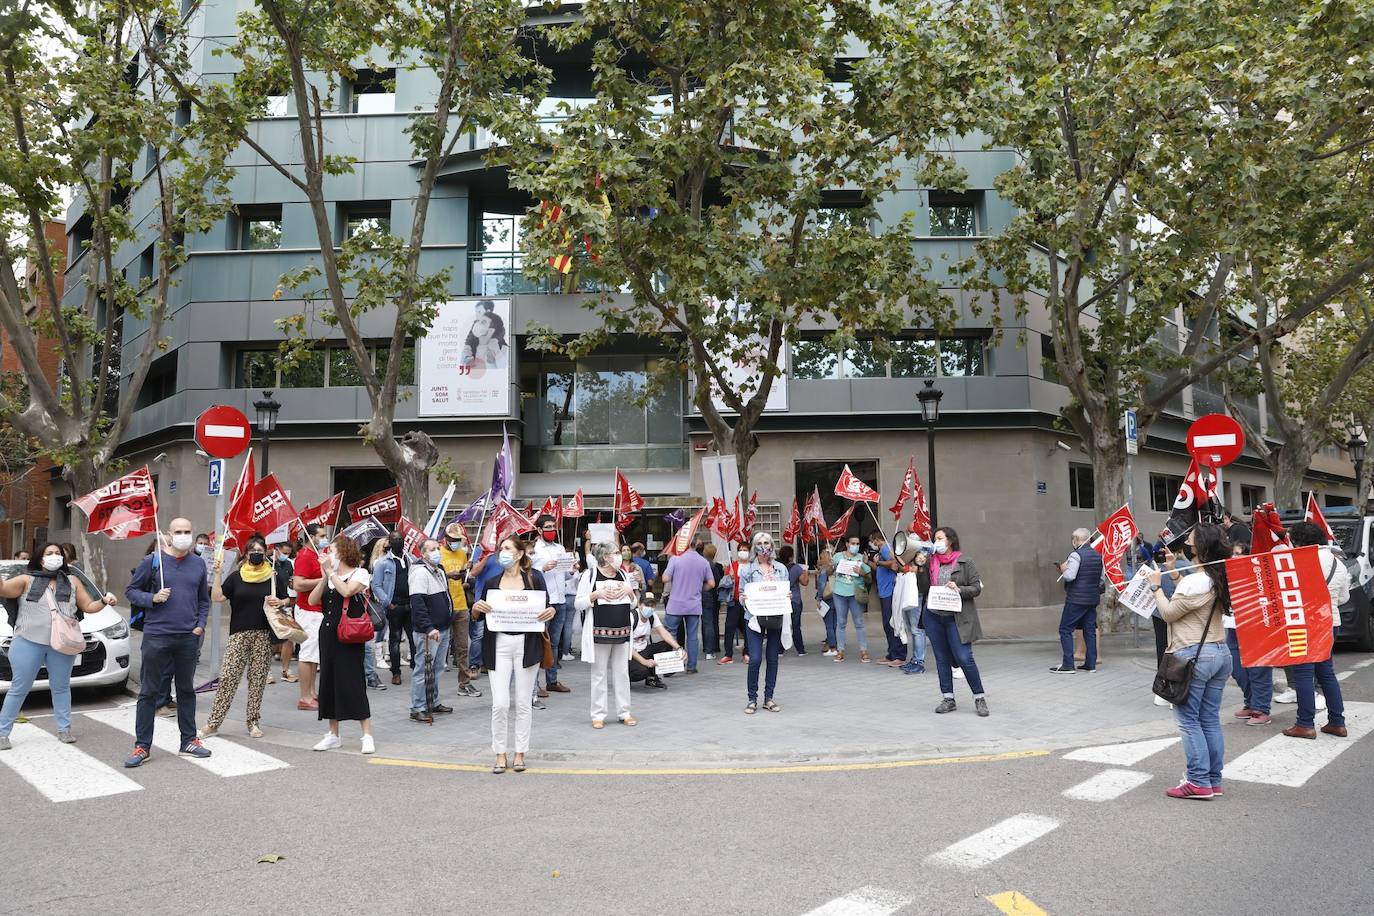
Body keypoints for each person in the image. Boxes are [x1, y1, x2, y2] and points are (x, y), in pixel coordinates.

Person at [0, 543, 118, 750]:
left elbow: (88, 606)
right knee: (19, 688)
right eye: (49, 553)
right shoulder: (26, 580)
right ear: (40, 558)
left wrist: (104, 601)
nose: (54, 556)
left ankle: (64, 729)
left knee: (61, 687)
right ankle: (2, 733)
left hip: (62, 644)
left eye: (58, 553)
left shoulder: (72, 581)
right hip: (28, 642)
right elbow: (3, 589)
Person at [1146, 523, 1231, 799]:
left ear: (1199, 548)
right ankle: (1212, 780)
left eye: (1190, 541)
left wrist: (1155, 588)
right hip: (1219, 653)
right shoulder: (1217, 576)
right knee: (1209, 719)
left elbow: (1170, 612)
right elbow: (1193, 602)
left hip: (1194, 655)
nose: (1186, 544)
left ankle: (1197, 781)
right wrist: (1173, 572)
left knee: (1188, 721)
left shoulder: (1195, 581)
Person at [124, 518, 213, 767]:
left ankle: (189, 740)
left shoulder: (198, 563)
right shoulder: (152, 561)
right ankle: (142, 746)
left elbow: (203, 600)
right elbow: (131, 591)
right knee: (149, 692)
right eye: (178, 531)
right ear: (169, 535)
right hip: (157, 635)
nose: (183, 535)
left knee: (186, 691)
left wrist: (200, 625)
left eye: (187, 531)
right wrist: (152, 598)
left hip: (188, 637)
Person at [472, 536, 555, 773]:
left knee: (523, 702)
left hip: (527, 644)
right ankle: (500, 753)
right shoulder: (492, 582)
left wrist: (550, 611)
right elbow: (479, 615)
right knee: (500, 704)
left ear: (519, 554)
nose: (502, 552)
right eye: (501, 549)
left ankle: (520, 752)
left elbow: (547, 606)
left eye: (507, 548)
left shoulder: (534, 578)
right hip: (498, 644)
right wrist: (475, 609)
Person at [201, 536, 290, 739]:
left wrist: (281, 602)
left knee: (257, 680)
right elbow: (217, 597)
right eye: (252, 551)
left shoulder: (273, 576)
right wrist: (217, 574)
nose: (256, 553)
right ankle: (213, 723)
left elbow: (286, 598)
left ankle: (253, 722)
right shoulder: (236, 577)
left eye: (260, 550)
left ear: (266, 553)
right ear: (246, 554)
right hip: (239, 634)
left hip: (264, 634)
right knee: (228, 678)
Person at [1283, 521, 1352, 740]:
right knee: (1326, 672)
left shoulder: (1300, 561)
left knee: (1303, 673)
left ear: (1300, 542)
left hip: (1306, 623)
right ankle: (1337, 722)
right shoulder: (1338, 562)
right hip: (1331, 622)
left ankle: (1304, 724)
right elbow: (1344, 597)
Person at [307, 534, 375, 754]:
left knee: (353, 681)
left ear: (344, 552)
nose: (328, 554)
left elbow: (347, 591)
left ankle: (366, 734)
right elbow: (312, 600)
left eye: (332, 551)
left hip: (349, 635)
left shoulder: (360, 573)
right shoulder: (330, 576)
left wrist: (330, 572)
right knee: (328, 682)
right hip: (328, 634)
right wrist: (323, 577)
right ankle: (333, 734)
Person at [924, 527, 989, 716]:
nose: (936, 542)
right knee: (941, 658)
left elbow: (976, 588)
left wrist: (959, 589)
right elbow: (922, 586)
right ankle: (948, 698)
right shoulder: (930, 561)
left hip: (957, 618)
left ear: (950, 541)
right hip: (934, 616)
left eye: (940, 538)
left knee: (964, 657)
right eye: (935, 539)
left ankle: (979, 697)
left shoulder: (965, 562)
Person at [577, 541, 641, 728]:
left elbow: (633, 604)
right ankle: (598, 714)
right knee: (599, 674)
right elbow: (578, 603)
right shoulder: (590, 575)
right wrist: (595, 595)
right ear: (605, 557)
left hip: (622, 632)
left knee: (622, 673)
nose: (620, 556)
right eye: (616, 553)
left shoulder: (623, 574)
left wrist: (630, 593)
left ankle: (625, 712)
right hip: (599, 633)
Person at [739, 531, 792, 714]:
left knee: (772, 657)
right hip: (754, 618)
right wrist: (745, 599)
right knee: (755, 658)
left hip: (775, 617)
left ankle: (768, 698)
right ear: (754, 547)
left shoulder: (781, 569)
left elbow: (785, 590)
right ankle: (752, 698)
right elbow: (741, 594)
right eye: (760, 543)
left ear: (772, 545)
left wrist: (787, 596)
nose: (764, 546)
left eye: (767, 543)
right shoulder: (747, 570)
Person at [407, 538, 456, 722]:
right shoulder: (419, 572)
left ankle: (432, 702)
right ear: (423, 553)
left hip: (443, 628)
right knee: (423, 669)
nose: (437, 552)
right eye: (432, 549)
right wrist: (428, 627)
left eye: (438, 548)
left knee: (437, 668)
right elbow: (417, 603)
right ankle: (417, 707)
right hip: (429, 631)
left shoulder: (439, 570)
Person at [530, 514, 574, 694]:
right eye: (547, 527)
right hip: (543, 602)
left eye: (553, 527)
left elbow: (565, 575)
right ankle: (534, 684)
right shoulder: (534, 549)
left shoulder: (560, 548)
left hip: (560, 600)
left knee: (554, 643)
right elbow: (528, 572)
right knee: (538, 642)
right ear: (539, 530)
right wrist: (542, 568)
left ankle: (552, 680)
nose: (551, 530)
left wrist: (572, 570)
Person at [1051, 528, 1104, 673]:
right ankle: (1090, 664)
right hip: (1092, 598)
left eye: (1072, 539)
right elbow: (1101, 578)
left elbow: (1070, 576)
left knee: (1065, 629)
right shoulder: (1098, 555)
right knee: (1089, 630)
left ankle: (1068, 665)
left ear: (1076, 539)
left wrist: (1063, 569)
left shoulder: (1075, 555)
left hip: (1076, 599)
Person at [438, 523, 481, 698]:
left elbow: (466, 579)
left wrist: (466, 574)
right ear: (446, 538)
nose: (455, 542)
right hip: (443, 606)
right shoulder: (438, 553)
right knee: (439, 649)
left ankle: (464, 684)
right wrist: (448, 576)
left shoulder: (462, 553)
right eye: (453, 539)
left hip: (461, 604)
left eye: (458, 539)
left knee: (463, 647)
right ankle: (431, 687)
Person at [291, 523, 330, 711]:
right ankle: (304, 697)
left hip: (316, 610)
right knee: (307, 654)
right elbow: (298, 584)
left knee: (314, 655)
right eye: (321, 536)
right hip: (308, 610)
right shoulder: (305, 556)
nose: (324, 539)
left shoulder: (315, 554)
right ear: (311, 537)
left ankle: (312, 693)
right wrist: (324, 579)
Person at [662, 538, 715, 673]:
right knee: (692, 636)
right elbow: (711, 583)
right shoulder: (703, 561)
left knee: (671, 633)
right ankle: (691, 666)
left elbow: (665, 578)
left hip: (675, 604)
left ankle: (672, 666)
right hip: (693, 604)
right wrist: (700, 588)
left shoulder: (675, 559)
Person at [372, 533, 414, 686]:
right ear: (390, 542)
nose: (399, 541)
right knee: (395, 639)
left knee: (414, 638)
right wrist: (387, 602)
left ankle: (416, 667)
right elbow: (376, 585)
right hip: (394, 606)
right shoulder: (382, 562)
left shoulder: (410, 559)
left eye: (401, 539)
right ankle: (396, 672)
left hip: (410, 605)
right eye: (395, 539)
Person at [628, 593, 687, 689]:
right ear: (639, 604)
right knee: (642, 672)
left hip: (644, 650)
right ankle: (625, 676)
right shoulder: (631, 617)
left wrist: (679, 648)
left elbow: (664, 633)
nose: (649, 608)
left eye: (652, 605)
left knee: (666, 644)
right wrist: (644, 661)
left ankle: (651, 678)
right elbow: (627, 646)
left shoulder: (652, 616)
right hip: (629, 655)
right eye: (647, 605)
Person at [830, 534, 871, 663]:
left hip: (855, 594)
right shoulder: (837, 557)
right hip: (839, 593)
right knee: (841, 622)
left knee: (859, 622)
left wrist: (861, 572)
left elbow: (869, 578)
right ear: (847, 544)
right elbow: (829, 572)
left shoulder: (861, 558)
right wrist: (829, 566)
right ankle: (840, 651)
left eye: (857, 544)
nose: (855, 546)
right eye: (853, 543)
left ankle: (863, 651)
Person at [892, 545, 930, 674]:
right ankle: (915, 659)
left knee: (917, 630)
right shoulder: (914, 552)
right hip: (909, 594)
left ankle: (919, 662)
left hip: (917, 596)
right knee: (912, 629)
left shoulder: (924, 552)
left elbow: (921, 571)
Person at [868, 533, 904, 666]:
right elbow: (881, 567)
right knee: (887, 624)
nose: (872, 545)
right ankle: (891, 654)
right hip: (884, 591)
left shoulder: (885, 547)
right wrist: (871, 562)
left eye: (872, 542)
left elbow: (894, 563)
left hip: (889, 591)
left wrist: (878, 562)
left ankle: (898, 655)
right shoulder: (884, 549)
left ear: (876, 540)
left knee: (892, 624)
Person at [717, 546, 750, 665]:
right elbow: (724, 584)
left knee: (747, 628)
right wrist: (729, 576)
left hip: (748, 602)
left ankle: (747, 653)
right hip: (734, 601)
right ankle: (728, 654)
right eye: (741, 550)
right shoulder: (732, 566)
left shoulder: (752, 566)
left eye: (745, 550)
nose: (743, 552)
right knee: (729, 627)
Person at [273, 540, 299, 683]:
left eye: (288, 553)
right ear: (276, 550)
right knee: (269, 638)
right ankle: (266, 672)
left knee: (288, 637)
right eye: (284, 553)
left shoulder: (288, 564)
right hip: (270, 602)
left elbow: (291, 583)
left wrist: (293, 582)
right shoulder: (268, 563)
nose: (286, 555)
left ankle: (286, 670)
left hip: (285, 601)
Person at [778, 545, 809, 657]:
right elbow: (804, 582)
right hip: (795, 600)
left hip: (781, 600)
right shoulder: (796, 568)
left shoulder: (777, 567)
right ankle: (800, 650)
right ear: (791, 557)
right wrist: (806, 572)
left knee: (781, 625)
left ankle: (780, 649)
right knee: (796, 626)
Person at [700, 543, 724, 659]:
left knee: (706, 622)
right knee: (712, 622)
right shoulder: (715, 566)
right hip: (712, 596)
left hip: (703, 595)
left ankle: (707, 646)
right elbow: (718, 581)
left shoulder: (702, 564)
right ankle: (713, 646)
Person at [814, 548, 838, 656]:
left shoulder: (824, 571)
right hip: (837, 598)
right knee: (835, 624)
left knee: (829, 625)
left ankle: (832, 648)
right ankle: (837, 644)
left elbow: (821, 587)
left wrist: (819, 598)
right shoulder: (836, 569)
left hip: (827, 600)